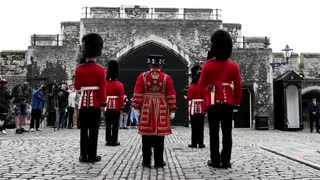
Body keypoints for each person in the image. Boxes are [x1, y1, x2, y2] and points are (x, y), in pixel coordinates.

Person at [198, 29, 242, 169]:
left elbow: (201, 86)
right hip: (228, 102)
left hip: (212, 102)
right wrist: (236, 103)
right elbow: (238, 87)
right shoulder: (233, 66)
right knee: (227, 133)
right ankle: (226, 160)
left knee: (214, 133)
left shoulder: (207, 65)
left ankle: (215, 160)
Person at [133, 54, 176, 168]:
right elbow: (171, 95)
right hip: (161, 106)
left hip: (147, 106)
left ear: (149, 64)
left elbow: (138, 94)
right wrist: (172, 109)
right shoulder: (167, 77)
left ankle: (146, 161)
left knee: (146, 137)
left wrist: (137, 108)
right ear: (161, 65)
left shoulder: (142, 76)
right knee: (159, 138)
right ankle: (158, 161)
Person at [74, 33, 107, 163]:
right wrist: (103, 103)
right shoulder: (100, 70)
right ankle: (92, 155)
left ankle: (83, 155)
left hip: (83, 103)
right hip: (96, 104)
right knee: (94, 131)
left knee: (83, 130)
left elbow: (77, 86)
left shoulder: (79, 69)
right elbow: (102, 88)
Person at [105, 60, 125, 146]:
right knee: (115, 124)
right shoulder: (120, 85)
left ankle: (108, 140)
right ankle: (114, 140)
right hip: (116, 105)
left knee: (108, 124)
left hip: (107, 105)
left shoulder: (105, 84)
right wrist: (121, 107)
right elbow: (121, 97)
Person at [187, 65, 206, 148]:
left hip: (193, 108)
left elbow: (189, 98)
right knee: (201, 126)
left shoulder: (191, 87)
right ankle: (201, 143)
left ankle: (194, 143)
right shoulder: (204, 87)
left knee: (194, 126)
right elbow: (206, 97)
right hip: (201, 107)